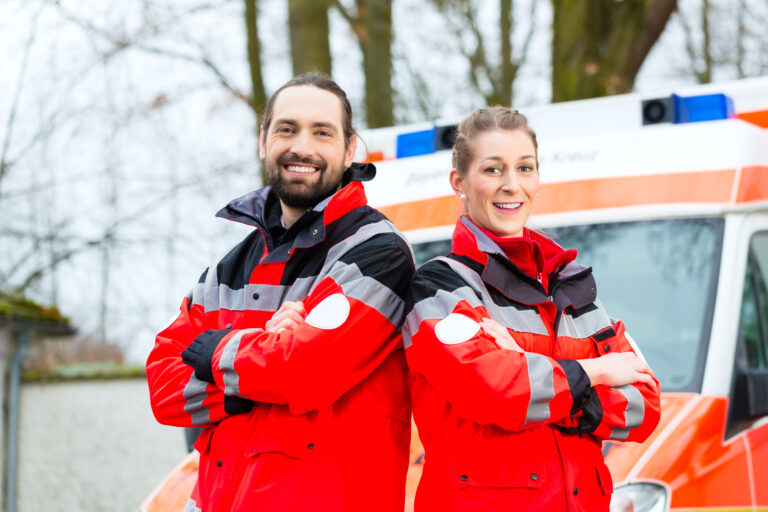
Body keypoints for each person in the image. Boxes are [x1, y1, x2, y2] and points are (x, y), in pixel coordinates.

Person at [146, 73, 415, 512]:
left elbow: (308, 369)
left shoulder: (378, 252)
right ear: (263, 141)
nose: (302, 147)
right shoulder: (228, 267)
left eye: (322, 132)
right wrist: (262, 353)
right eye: (287, 129)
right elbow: (163, 390)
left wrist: (216, 351)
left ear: (350, 149)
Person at [403, 106, 661, 511]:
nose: (512, 185)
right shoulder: (439, 287)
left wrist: (535, 374)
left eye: (525, 168)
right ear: (459, 182)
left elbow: (646, 406)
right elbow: (498, 392)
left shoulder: (572, 286)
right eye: (493, 170)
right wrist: (595, 372)